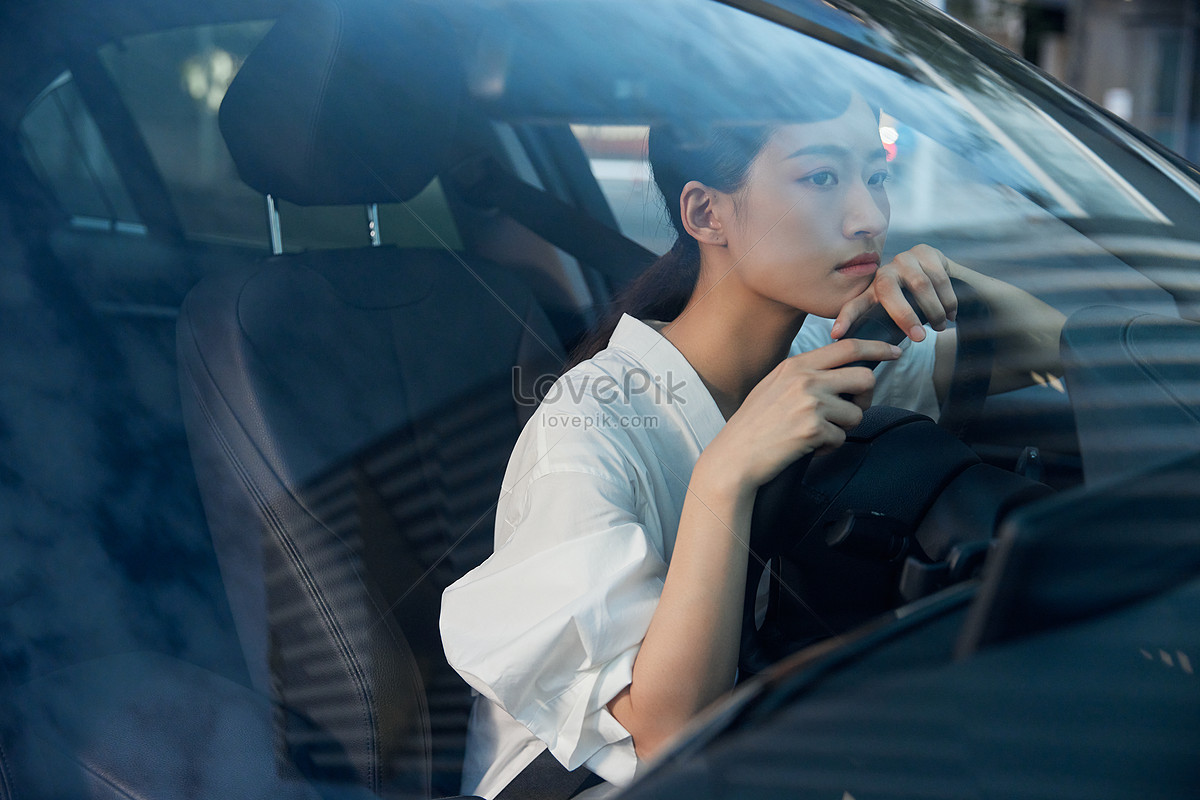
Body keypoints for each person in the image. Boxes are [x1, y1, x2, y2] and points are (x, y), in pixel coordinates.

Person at [440, 92, 1065, 798]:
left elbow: (1071, 354)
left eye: (876, 175)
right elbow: (667, 736)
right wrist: (724, 476)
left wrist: (955, 287)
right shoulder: (588, 433)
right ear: (707, 213)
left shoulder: (819, 349)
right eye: (822, 178)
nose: (870, 217)